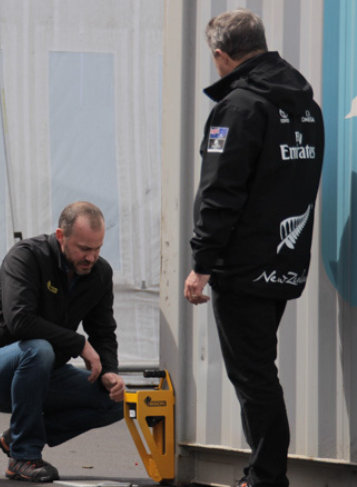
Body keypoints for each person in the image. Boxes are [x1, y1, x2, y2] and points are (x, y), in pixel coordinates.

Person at [183, 9, 324, 487]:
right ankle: (265, 473)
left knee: (254, 377)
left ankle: (266, 477)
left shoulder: (240, 107)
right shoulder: (305, 105)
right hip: (283, 261)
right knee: (261, 371)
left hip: (242, 267)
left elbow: (222, 192)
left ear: (222, 55)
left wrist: (202, 263)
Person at [0, 202, 125, 483]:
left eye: (97, 249)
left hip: (40, 373)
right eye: (84, 248)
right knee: (38, 349)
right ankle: (23, 457)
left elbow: (104, 331)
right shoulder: (27, 257)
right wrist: (79, 344)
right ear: (61, 236)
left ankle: (16, 439)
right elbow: (19, 321)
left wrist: (109, 370)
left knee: (117, 401)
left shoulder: (99, 274)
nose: (91, 257)